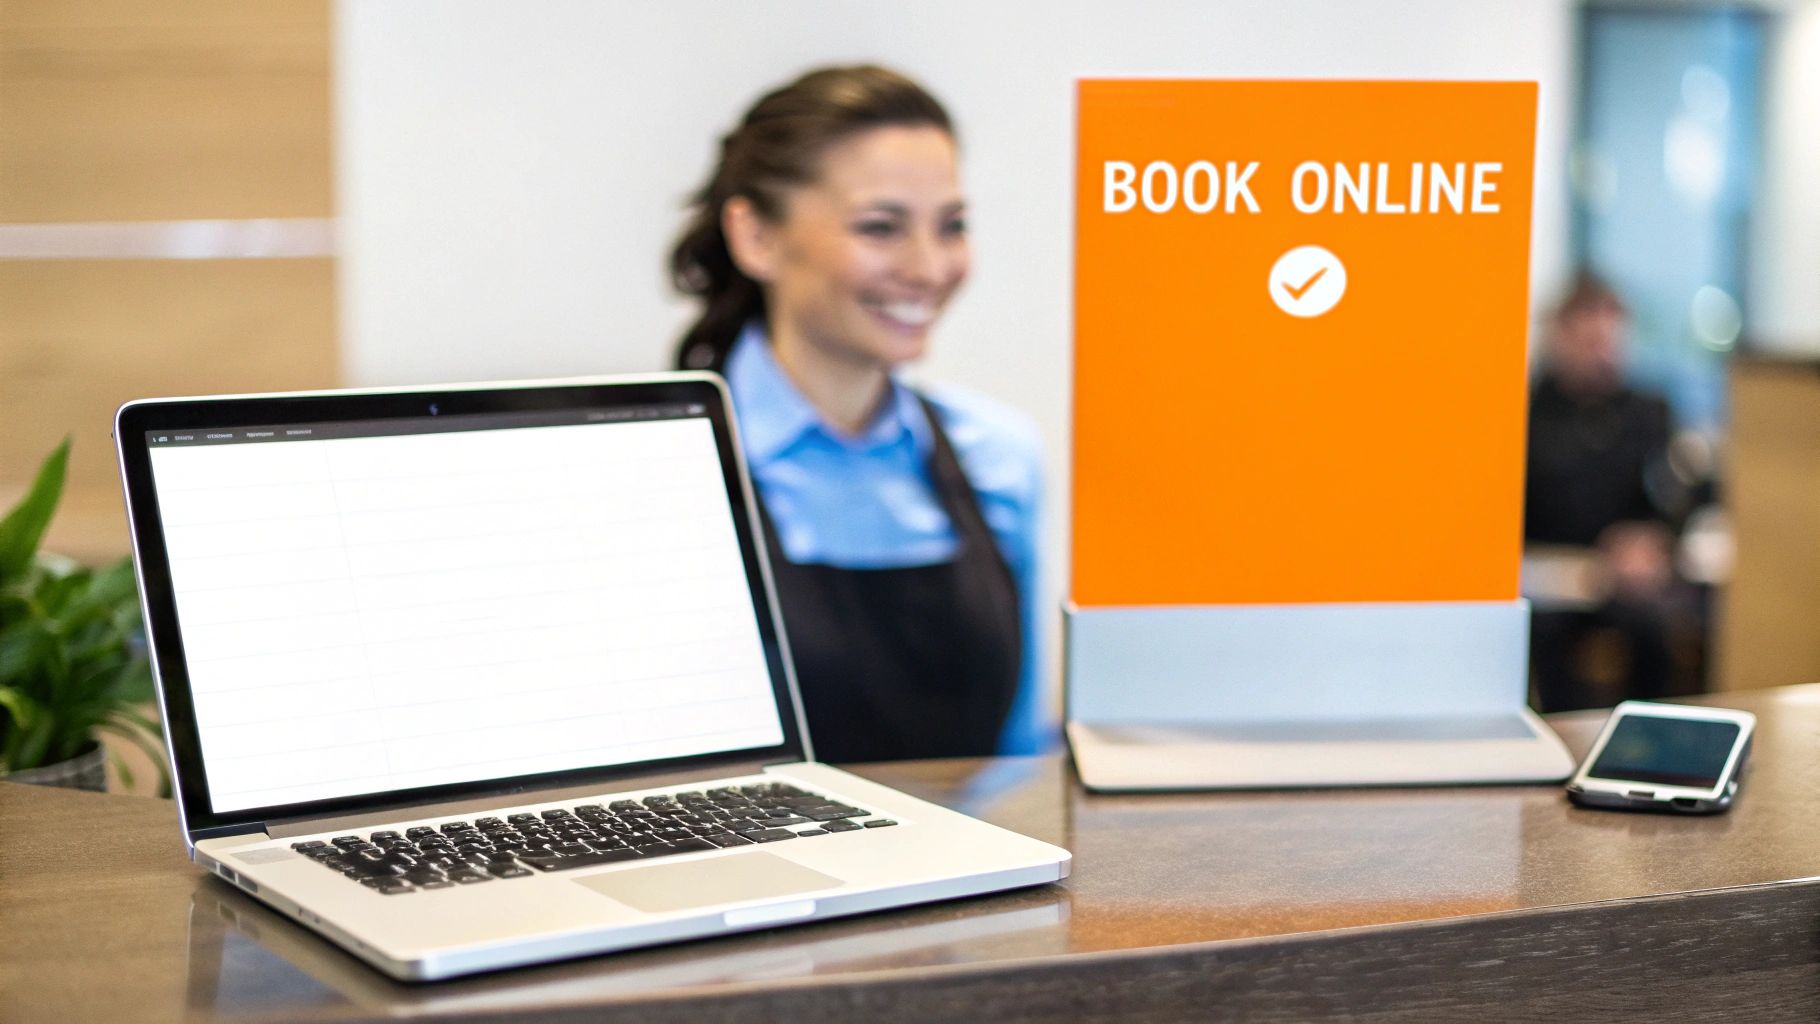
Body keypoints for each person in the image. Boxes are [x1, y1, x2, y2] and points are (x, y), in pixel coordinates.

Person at [669, 65, 1046, 762]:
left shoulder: (999, 454)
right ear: (755, 237)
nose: (930, 267)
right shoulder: (662, 469)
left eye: (952, 226)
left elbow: (1022, 758)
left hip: (976, 868)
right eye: (881, 227)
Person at [1524, 271, 1691, 711]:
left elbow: (1679, 493)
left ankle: (1647, 735)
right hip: (1549, 574)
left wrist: (1654, 540)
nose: (1602, 354)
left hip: (1619, 576)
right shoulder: (1531, 412)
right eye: (1588, 340)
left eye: (1609, 340)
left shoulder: (1646, 411)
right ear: (1560, 336)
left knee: (1652, 625)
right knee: (1542, 634)